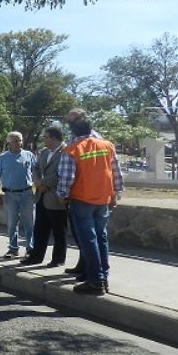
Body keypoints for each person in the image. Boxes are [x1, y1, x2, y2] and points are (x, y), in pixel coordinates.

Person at [57, 116, 124, 295]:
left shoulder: (71, 149)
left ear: (72, 131)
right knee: (101, 238)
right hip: (103, 200)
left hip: (82, 200)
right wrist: (116, 193)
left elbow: (66, 179)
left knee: (89, 241)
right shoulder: (107, 145)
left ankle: (95, 281)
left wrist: (62, 195)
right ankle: (103, 277)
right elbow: (116, 172)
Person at [20, 127, 67, 267]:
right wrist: (37, 183)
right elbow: (35, 169)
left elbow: (61, 174)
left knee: (59, 231)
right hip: (41, 195)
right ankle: (36, 256)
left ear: (53, 138)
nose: (43, 140)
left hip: (56, 198)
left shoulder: (66, 152)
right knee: (40, 229)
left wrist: (43, 182)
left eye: (45, 137)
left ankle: (58, 259)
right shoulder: (44, 152)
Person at [63, 108, 102, 277]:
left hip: (89, 195)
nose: (70, 125)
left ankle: (94, 274)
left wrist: (62, 194)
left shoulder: (96, 139)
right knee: (83, 235)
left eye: (73, 121)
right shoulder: (73, 140)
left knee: (92, 237)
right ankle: (86, 265)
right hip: (81, 194)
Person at [0, 131, 37, 259]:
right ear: (9, 143)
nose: (19, 143)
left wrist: (37, 191)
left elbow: (36, 173)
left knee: (30, 223)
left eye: (20, 140)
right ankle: (13, 249)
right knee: (12, 223)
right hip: (10, 195)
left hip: (27, 193)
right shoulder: (3, 158)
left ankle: (30, 248)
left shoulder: (29, 155)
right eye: (16, 141)